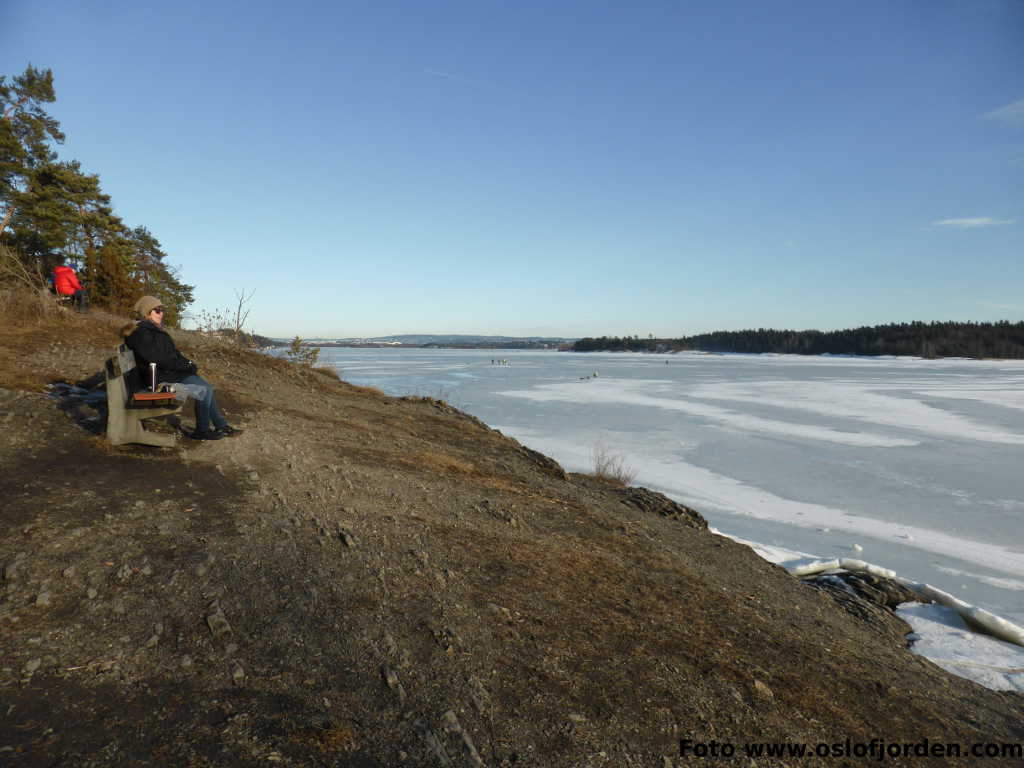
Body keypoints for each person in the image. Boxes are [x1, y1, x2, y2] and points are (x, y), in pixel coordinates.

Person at [123, 295, 242, 441]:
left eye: (162, 310)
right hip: (156, 379)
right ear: (147, 313)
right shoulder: (141, 333)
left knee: (205, 387)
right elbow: (157, 359)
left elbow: (173, 354)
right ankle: (203, 429)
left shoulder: (153, 330)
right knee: (204, 390)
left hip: (166, 373)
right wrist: (185, 366)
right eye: (157, 310)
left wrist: (188, 364)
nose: (162, 313)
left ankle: (220, 425)